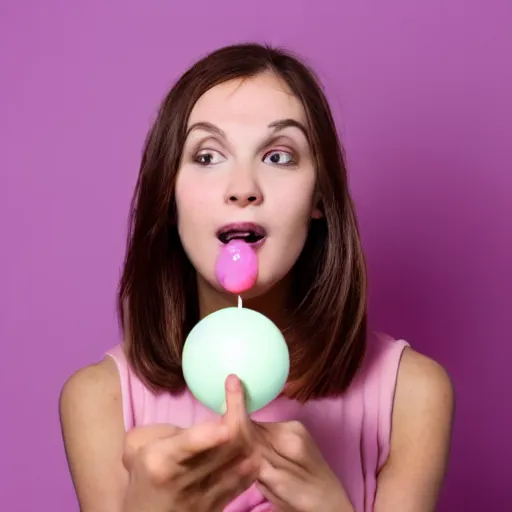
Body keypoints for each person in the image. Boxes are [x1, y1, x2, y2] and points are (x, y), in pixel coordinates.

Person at [59, 43, 455, 512]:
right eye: (207, 156)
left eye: (278, 156)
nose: (244, 189)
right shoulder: (99, 400)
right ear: (168, 196)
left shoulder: (412, 395)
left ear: (320, 198)